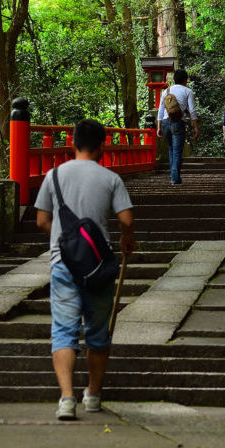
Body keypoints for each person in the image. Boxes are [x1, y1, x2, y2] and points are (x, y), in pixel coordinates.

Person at [35, 119, 135, 421]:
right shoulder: (110, 178)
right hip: (99, 268)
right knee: (98, 333)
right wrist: (125, 239)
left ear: (73, 143)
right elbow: (127, 219)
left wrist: (66, 242)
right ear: (102, 145)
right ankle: (92, 394)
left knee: (64, 331)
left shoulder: (53, 176)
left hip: (63, 264)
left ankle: (66, 398)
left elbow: (41, 220)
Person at [157, 69, 200, 185]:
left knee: (171, 149)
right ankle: (175, 179)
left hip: (165, 123)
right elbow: (192, 111)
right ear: (185, 80)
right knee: (177, 151)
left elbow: (160, 111)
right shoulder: (188, 91)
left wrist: (159, 127)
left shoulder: (166, 91)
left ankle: (173, 176)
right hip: (178, 123)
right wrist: (196, 127)